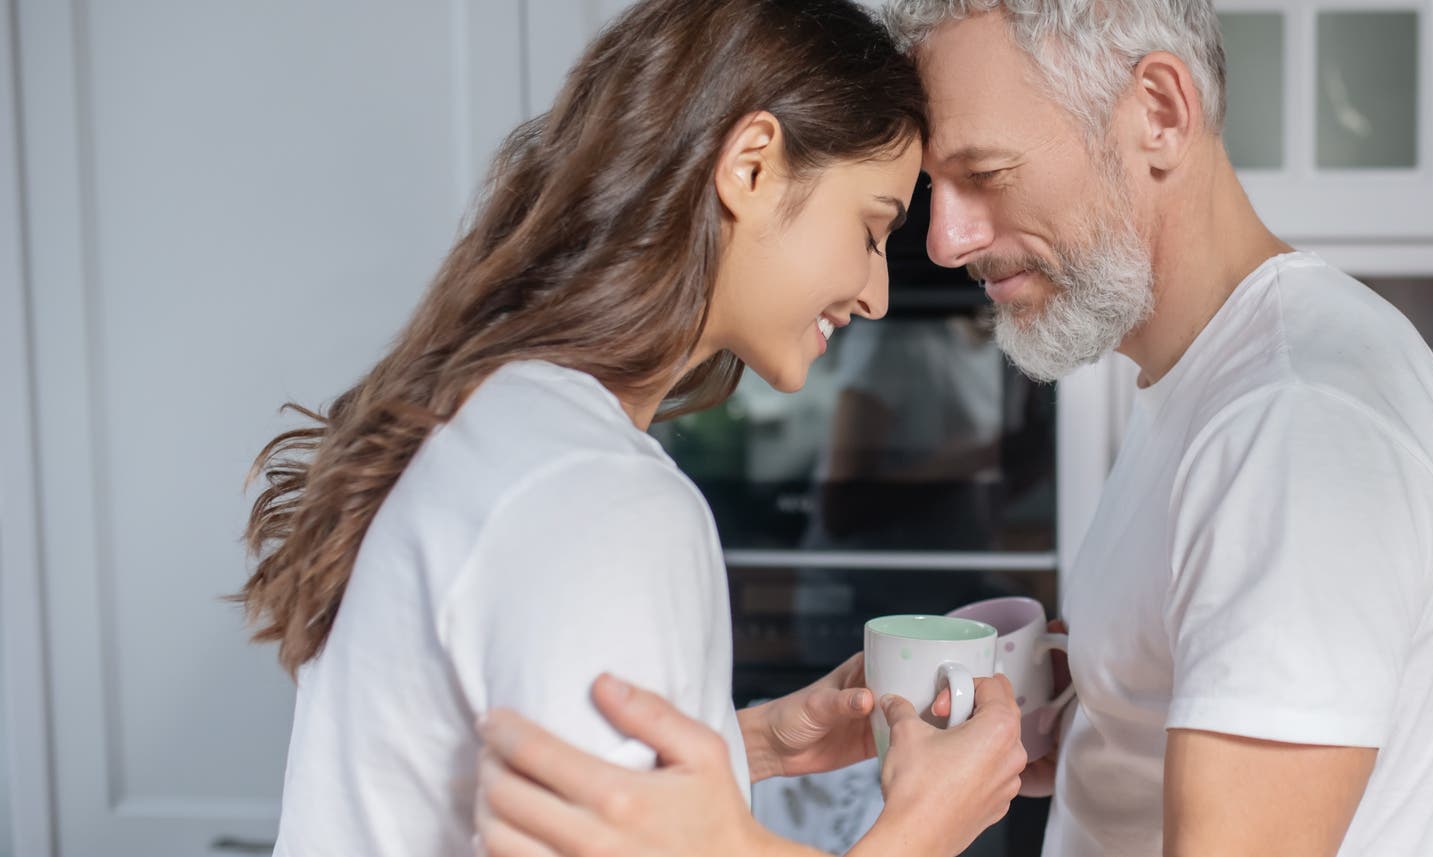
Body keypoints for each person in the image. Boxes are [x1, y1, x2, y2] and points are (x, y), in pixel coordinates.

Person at [481, 0, 1433, 854]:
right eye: (935, 190)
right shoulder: (1204, 391)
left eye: (984, 175)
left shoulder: (1294, 421)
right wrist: (1106, 720)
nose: (944, 235)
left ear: (1156, 110)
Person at [234, 1, 1025, 855]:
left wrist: (750, 742)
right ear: (751, 166)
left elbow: (561, 791)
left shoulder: (502, 420)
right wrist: (924, 828)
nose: (877, 292)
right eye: (872, 230)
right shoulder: (602, 496)